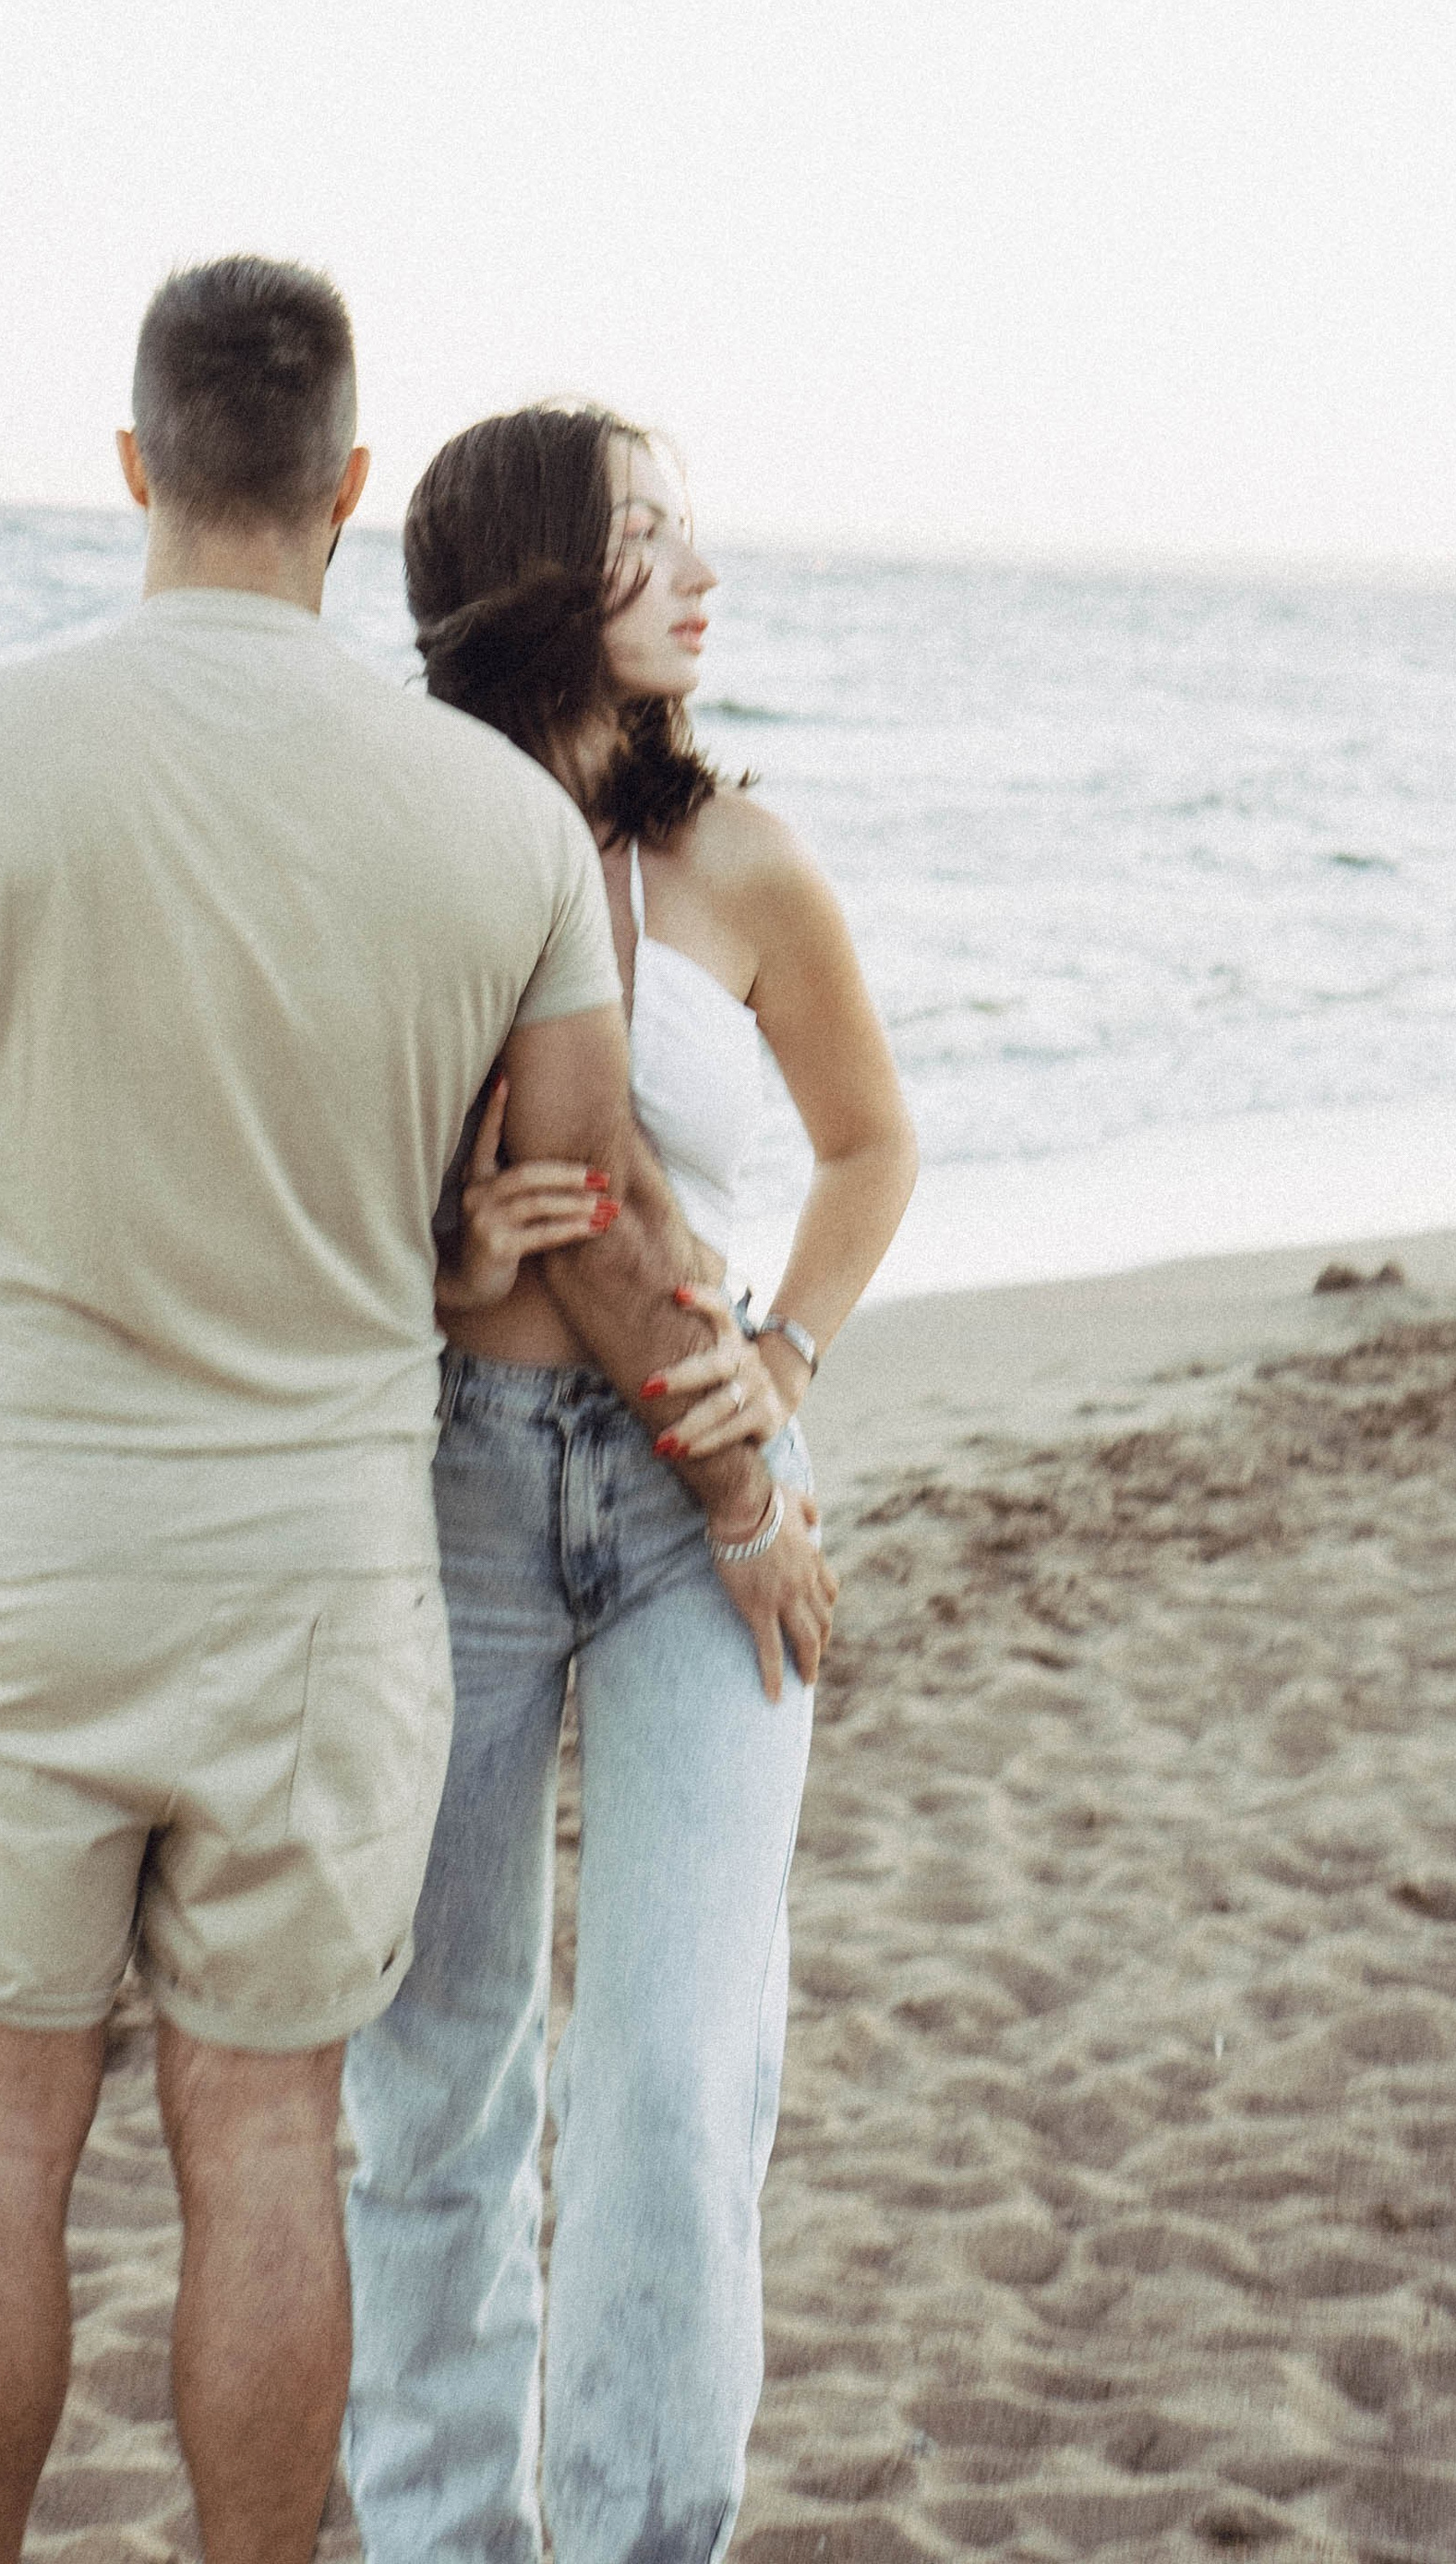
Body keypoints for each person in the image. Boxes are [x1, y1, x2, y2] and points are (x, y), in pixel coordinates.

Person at [0, 264, 778, 2564]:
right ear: (346, 487)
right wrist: (743, 1450)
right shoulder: (495, 827)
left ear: (135, 463)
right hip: (322, 1586)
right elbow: (585, 1206)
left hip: (16, 1565)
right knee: (261, 2149)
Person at [343, 402, 919, 2564]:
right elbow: (308, 1182)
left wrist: (778, 1368)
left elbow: (869, 1147)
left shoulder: (739, 861)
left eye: (692, 530)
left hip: (701, 1501)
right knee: (434, 2084)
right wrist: (433, 1257)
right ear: (526, 579)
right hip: (451, 1489)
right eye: (644, 537)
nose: (699, 572)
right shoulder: (407, 853)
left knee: (674, 2083)